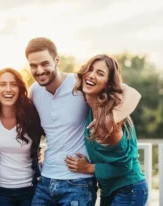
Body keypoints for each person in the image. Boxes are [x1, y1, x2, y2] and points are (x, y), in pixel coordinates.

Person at [25, 37, 141, 205]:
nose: (40, 70)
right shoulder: (34, 91)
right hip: (45, 180)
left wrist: (112, 118)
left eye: (45, 63)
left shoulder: (80, 84)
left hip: (77, 183)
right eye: (33, 65)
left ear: (56, 61)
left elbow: (132, 93)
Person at [66, 54, 148, 206]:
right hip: (109, 189)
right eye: (90, 69)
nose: (91, 75)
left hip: (129, 189)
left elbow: (124, 167)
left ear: (107, 85)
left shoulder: (109, 124)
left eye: (100, 73)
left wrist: (88, 167)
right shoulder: (92, 109)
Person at [0, 68, 43, 206]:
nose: (8, 89)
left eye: (13, 84)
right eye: (3, 84)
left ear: (20, 88)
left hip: (30, 189)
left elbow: (53, 134)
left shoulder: (32, 115)